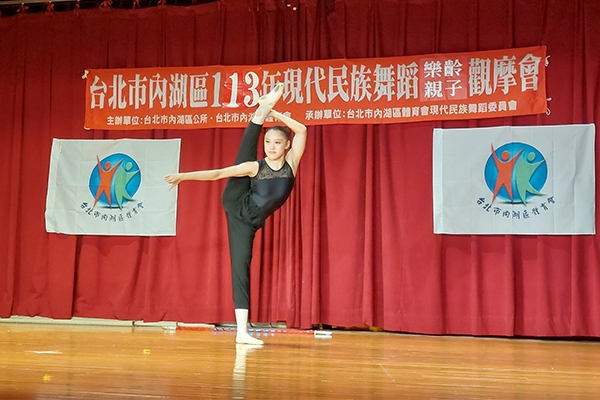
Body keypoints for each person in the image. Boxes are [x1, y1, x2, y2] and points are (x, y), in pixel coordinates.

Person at [164, 82, 307, 345]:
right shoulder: (256, 167)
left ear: (287, 146)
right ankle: (242, 332)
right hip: (238, 208)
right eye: (268, 142)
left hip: (252, 219)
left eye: (277, 143)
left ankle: (262, 111)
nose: (271, 147)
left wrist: (274, 112)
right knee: (240, 267)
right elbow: (218, 173)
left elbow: (302, 130)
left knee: (243, 265)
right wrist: (184, 176)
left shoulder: (292, 163)